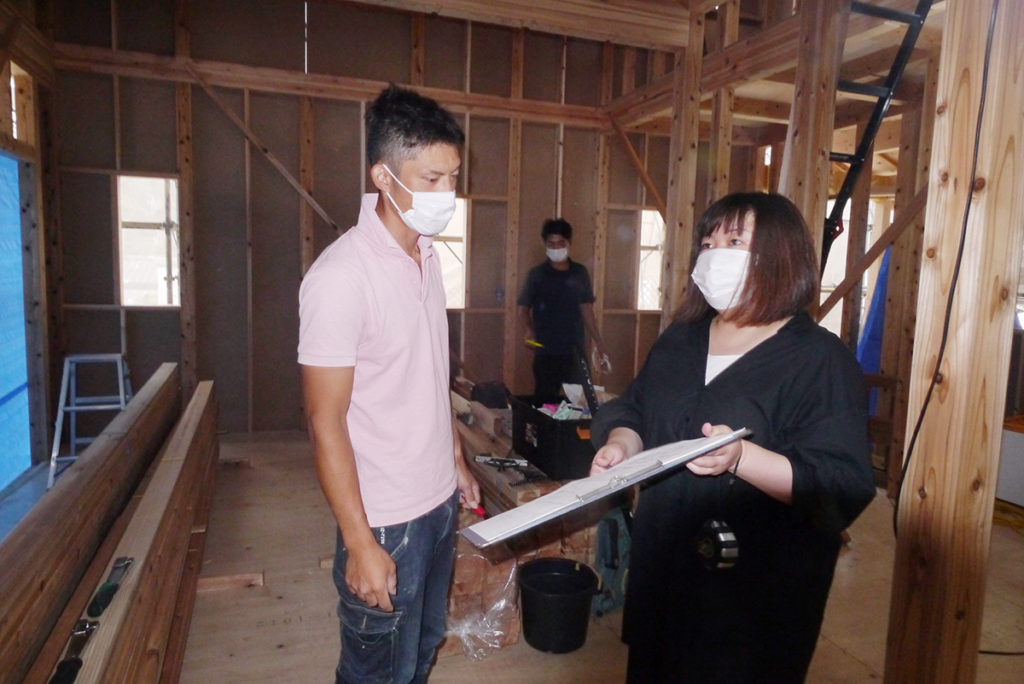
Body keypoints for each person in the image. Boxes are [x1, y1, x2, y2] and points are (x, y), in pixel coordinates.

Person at [590, 192, 876, 683]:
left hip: (753, 600)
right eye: (708, 243)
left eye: (735, 241)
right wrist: (622, 445)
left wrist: (742, 457)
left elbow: (841, 481)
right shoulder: (681, 339)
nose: (714, 254)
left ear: (779, 254)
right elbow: (634, 408)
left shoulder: (819, 360)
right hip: (664, 574)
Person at [298, 84, 480, 684]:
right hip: (384, 521)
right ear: (383, 175)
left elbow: (429, 376)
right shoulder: (340, 279)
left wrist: (455, 458)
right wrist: (359, 543)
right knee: (376, 673)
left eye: (453, 178)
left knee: (422, 650)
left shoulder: (428, 256)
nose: (446, 194)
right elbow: (325, 421)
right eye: (431, 179)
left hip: (437, 504)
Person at [517, 218, 610, 399]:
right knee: (545, 404)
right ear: (545, 244)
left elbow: (587, 310)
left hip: (574, 352)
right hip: (545, 352)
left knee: (581, 403)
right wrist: (528, 329)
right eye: (551, 244)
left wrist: (600, 343)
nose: (556, 248)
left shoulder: (579, 273)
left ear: (569, 243)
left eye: (561, 243)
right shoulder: (536, 275)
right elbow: (523, 308)